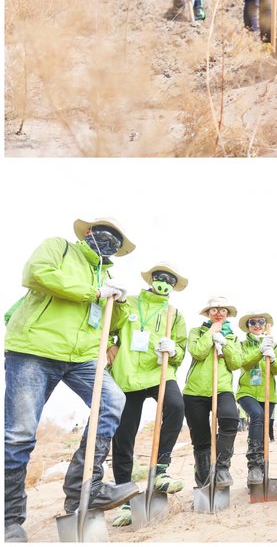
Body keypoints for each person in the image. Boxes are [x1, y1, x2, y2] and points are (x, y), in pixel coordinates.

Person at [4, 217, 137, 542]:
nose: (108, 244)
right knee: (19, 435)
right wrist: (93, 291)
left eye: (115, 242)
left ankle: (83, 489)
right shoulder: (59, 248)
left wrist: (118, 301)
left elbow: (113, 320)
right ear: (88, 233)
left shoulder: (106, 275)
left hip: (82, 358)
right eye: (104, 236)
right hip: (35, 348)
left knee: (113, 401)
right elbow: (35, 273)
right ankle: (9, 519)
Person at [109, 261, 188, 527]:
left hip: (158, 372)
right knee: (123, 436)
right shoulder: (128, 303)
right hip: (127, 374)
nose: (164, 281)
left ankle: (161, 468)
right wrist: (110, 346)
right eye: (160, 276)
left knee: (177, 406)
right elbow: (107, 328)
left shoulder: (174, 314)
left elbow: (181, 349)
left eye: (170, 279)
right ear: (151, 279)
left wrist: (174, 350)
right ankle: (125, 499)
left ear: (174, 287)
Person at [183, 299, 242, 491]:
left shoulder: (232, 337)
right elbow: (198, 352)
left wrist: (224, 343)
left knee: (231, 419)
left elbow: (235, 364)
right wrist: (211, 333)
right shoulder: (196, 332)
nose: (219, 313)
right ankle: (204, 482)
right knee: (201, 440)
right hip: (195, 391)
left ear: (227, 314)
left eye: (223, 310)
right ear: (208, 312)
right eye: (214, 309)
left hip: (222, 388)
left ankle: (222, 467)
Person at [236, 313, 277, 486]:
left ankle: (261, 472)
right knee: (257, 415)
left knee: (264, 427)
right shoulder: (242, 344)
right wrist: (259, 350)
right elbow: (244, 363)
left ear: (265, 324)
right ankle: (254, 465)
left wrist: (273, 357)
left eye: (261, 322)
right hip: (247, 392)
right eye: (252, 322)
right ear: (248, 325)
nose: (257, 325)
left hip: (268, 393)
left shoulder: (274, 344)